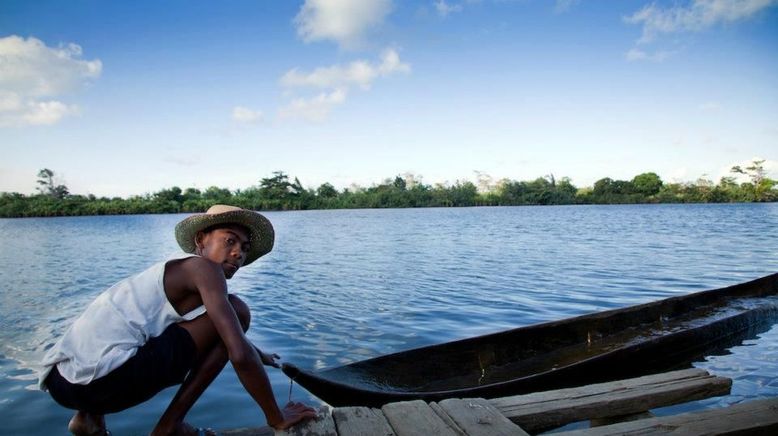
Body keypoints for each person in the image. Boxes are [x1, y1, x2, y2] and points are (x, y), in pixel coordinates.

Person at [38, 205, 316, 436]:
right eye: (229, 240)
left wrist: (262, 354)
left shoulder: (174, 269)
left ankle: (89, 419)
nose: (238, 254)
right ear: (201, 240)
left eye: (243, 248)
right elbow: (237, 351)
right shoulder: (205, 270)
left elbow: (226, 333)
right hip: (97, 385)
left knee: (135, 332)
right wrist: (276, 416)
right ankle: (168, 427)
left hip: (60, 382)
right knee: (238, 310)